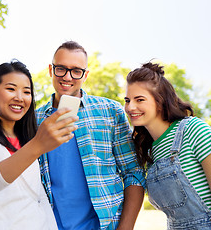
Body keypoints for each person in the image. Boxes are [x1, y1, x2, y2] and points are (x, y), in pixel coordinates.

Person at [35, 41, 146, 230]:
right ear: (50, 70)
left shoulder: (110, 111)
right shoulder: (34, 120)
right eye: (60, 68)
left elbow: (133, 173)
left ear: (85, 75)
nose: (67, 77)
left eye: (76, 71)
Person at [0, 60, 78, 229]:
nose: (19, 97)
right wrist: (37, 145)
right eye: (11, 89)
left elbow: (39, 199)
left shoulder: (27, 139)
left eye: (26, 92)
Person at [124, 62, 211, 229]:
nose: (130, 107)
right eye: (127, 100)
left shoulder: (193, 129)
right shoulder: (149, 150)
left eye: (139, 99)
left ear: (159, 101)